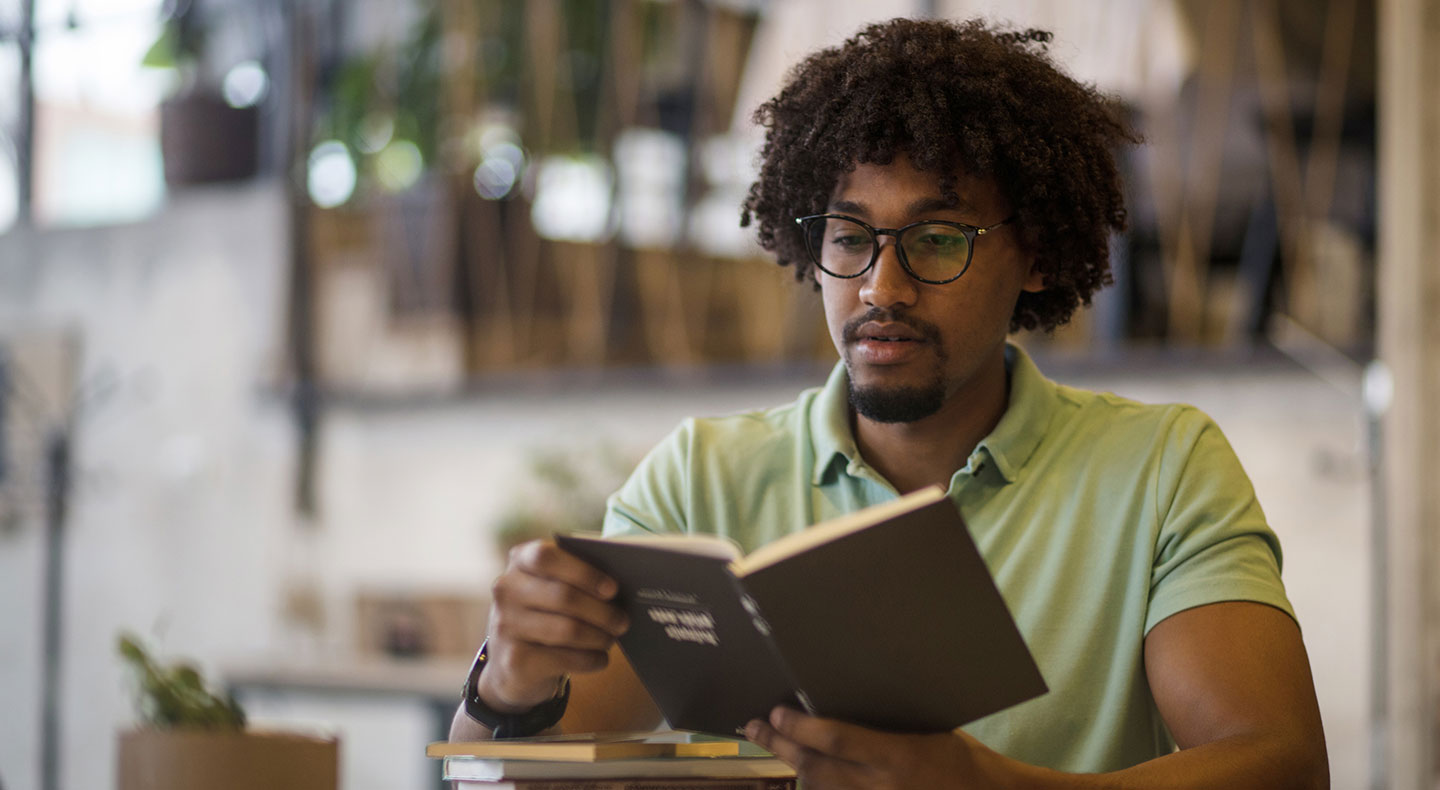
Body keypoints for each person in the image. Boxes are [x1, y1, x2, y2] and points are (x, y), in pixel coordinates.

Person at [451, 17, 1329, 789]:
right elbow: (515, 779)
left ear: (1040, 257)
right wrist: (510, 690)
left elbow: (1280, 764)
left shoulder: (1160, 468)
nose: (882, 286)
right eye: (849, 237)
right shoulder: (700, 478)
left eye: (938, 238)